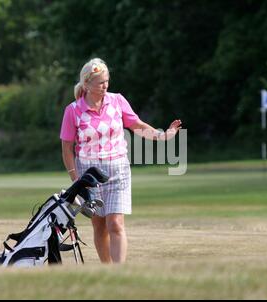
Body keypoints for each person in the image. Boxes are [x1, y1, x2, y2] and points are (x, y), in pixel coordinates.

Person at [60, 58, 182, 263]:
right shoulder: (73, 110)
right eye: (100, 82)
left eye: (107, 81)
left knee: (115, 224)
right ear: (87, 84)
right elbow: (66, 149)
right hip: (88, 176)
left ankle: (119, 271)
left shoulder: (117, 101)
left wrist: (164, 136)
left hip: (118, 171)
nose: (105, 86)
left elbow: (137, 125)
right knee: (99, 226)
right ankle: (108, 270)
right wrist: (76, 180)